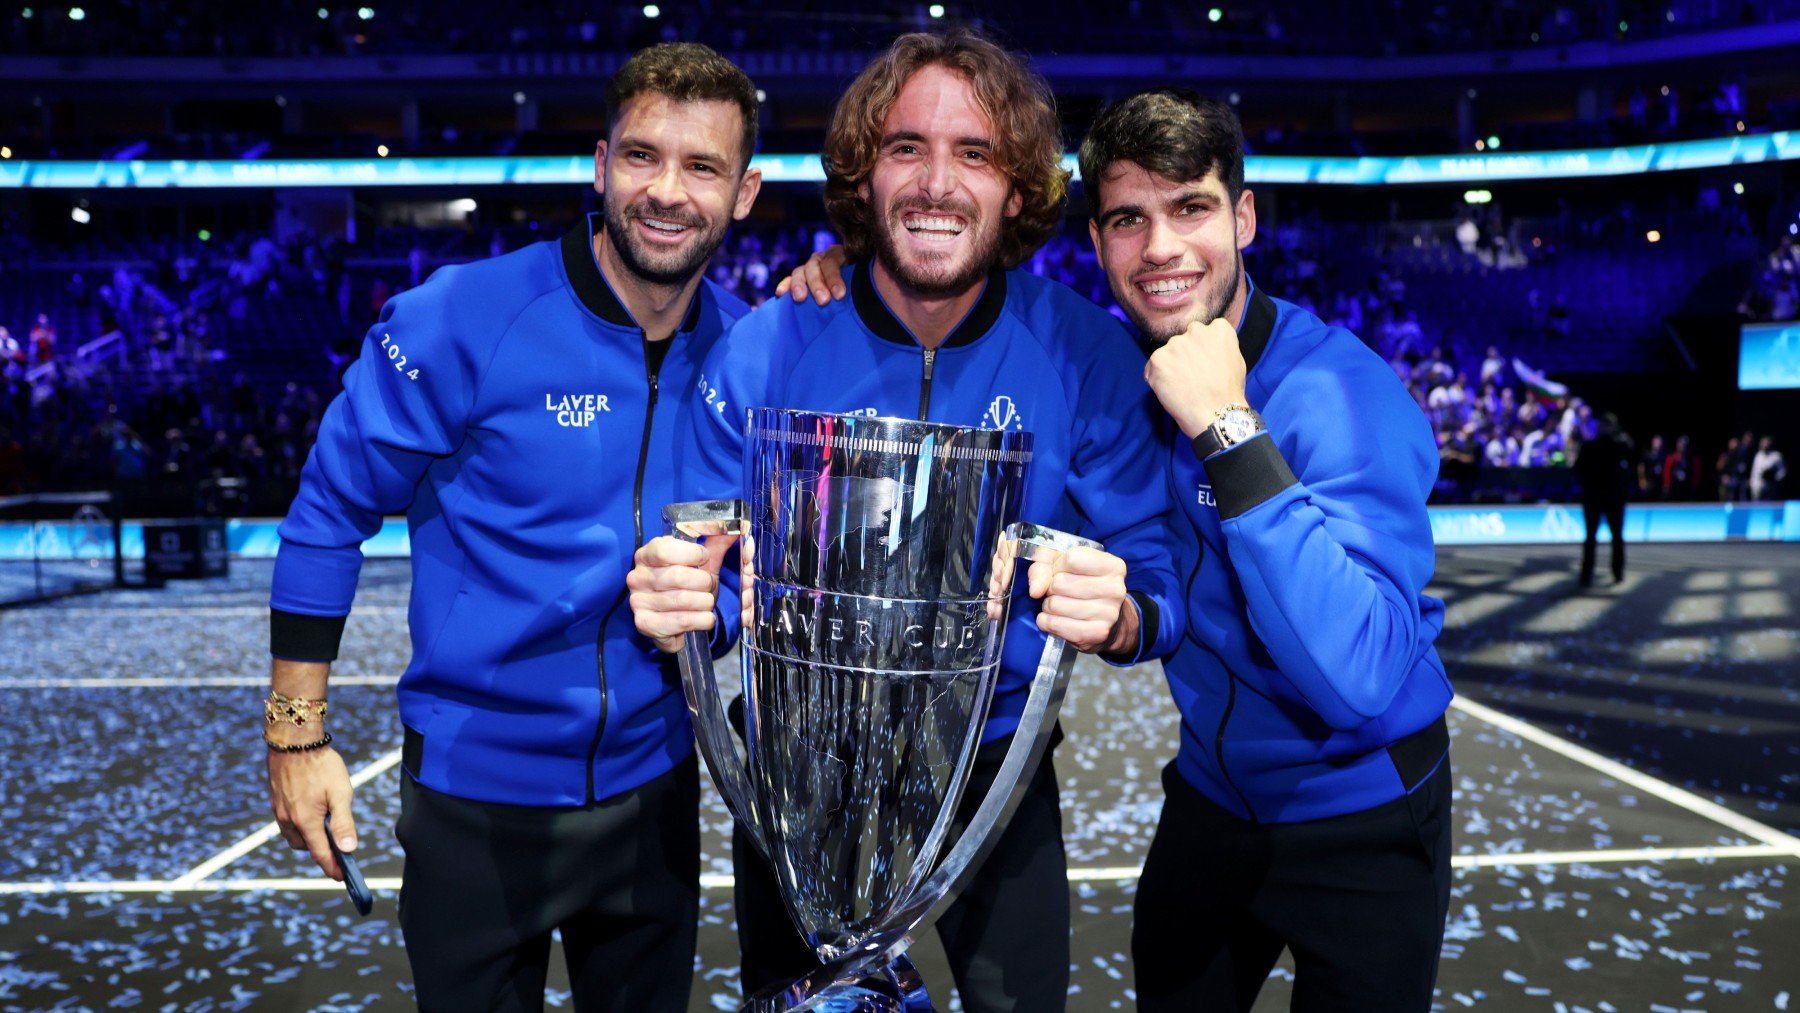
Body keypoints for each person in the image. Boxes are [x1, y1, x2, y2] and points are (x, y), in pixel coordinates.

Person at [626, 30, 1182, 1012]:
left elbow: (1156, 581)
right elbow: (705, 571)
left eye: (975, 153)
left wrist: (1124, 613)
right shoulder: (772, 344)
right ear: (862, 175)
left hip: (998, 780)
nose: (936, 181)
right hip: (801, 782)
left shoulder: (1083, 352)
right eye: (905, 148)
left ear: (1019, 189)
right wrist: (685, 596)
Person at [262, 43, 763, 1011]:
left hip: (654, 795)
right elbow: (326, 513)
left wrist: (719, 612)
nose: (666, 190)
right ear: (598, 164)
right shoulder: (463, 316)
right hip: (472, 806)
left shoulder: (749, 354)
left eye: (701, 166)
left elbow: (760, 562)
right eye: (642, 156)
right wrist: (296, 737)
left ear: (744, 192)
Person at [1079, 88, 1452, 1011]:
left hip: (1362, 815)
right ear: (1098, 242)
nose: (1159, 246)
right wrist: (844, 259)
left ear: (1243, 216)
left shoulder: (1343, 392)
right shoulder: (1119, 368)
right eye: (1129, 218)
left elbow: (1359, 673)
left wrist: (1230, 431)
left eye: (1190, 208)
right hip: (1210, 798)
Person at [1573, 412, 1634, 587]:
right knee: (1597, 537)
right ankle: (1607, 573)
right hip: (1605, 499)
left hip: (1600, 498)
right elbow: (1578, 470)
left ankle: (1607, 573)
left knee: (1605, 537)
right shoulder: (1613, 445)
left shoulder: (1602, 446)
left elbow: (1578, 470)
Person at [1750, 435, 1787, 500]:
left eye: (1766, 443)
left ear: (1770, 443)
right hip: (1757, 487)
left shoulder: (1776, 455)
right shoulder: (1758, 455)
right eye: (1763, 443)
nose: (1764, 445)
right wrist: (1752, 482)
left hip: (1770, 487)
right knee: (1757, 507)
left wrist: (1775, 478)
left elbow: (1783, 471)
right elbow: (1754, 471)